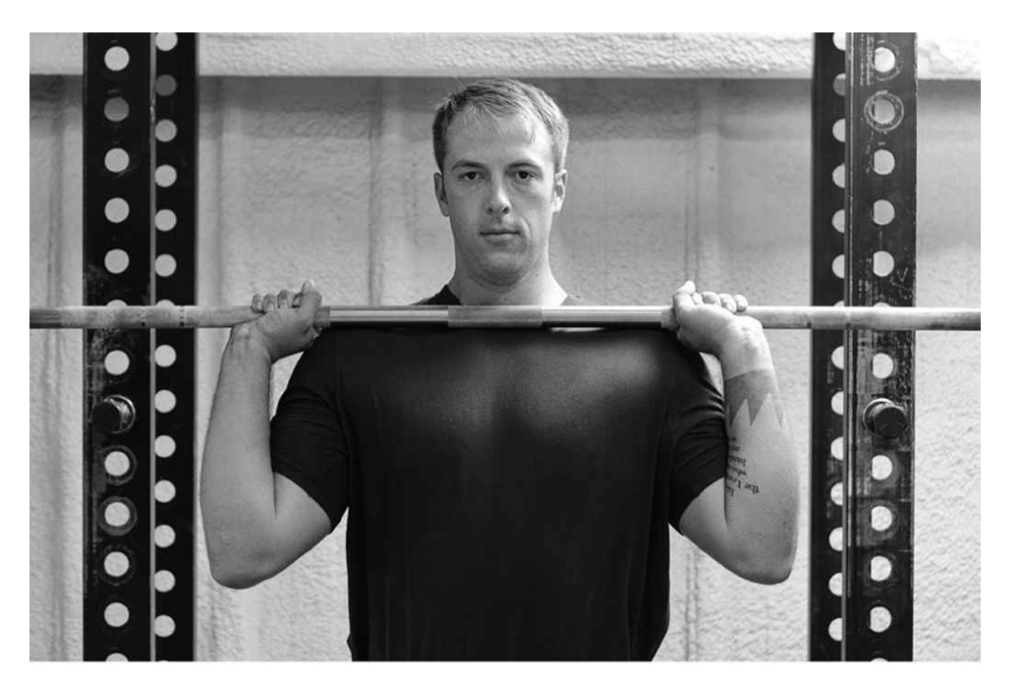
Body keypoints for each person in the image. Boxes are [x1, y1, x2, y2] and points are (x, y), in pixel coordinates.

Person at [200, 78, 799, 660]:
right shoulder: (357, 359)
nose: (498, 200)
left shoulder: (649, 363)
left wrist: (743, 348)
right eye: (471, 175)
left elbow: (762, 550)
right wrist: (250, 351)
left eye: (522, 173)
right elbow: (242, 551)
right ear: (442, 193)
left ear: (558, 188)